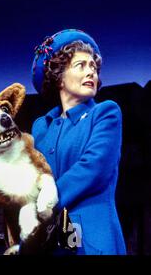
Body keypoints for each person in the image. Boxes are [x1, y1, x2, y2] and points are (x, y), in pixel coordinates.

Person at [31, 29, 126, 255]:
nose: (91, 72)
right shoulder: (41, 127)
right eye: (80, 65)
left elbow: (94, 168)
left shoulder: (105, 113)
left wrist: (45, 202)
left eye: (93, 66)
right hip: (50, 240)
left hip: (92, 238)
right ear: (59, 76)